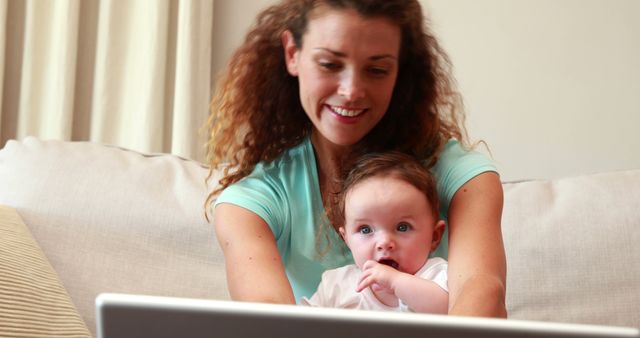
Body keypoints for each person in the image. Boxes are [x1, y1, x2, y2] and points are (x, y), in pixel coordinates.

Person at [205, 0, 507, 317]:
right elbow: (269, 322)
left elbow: (482, 294)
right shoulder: (249, 204)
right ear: (292, 54)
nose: (351, 91)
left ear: (400, 69)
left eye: (376, 70)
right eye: (330, 65)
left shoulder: (465, 179)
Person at [301, 152, 449, 313]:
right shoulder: (337, 285)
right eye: (365, 230)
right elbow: (301, 324)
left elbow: (452, 311)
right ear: (346, 239)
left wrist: (395, 281)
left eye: (403, 227)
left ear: (434, 236)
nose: (384, 242)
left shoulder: (437, 276)